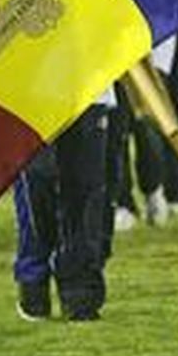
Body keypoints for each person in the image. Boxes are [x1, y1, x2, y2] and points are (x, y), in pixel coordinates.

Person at [12, 94, 123, 322]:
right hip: (30, 91)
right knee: (35, 182)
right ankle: (34, 279)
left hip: (89, 90)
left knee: (85, 191)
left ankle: (80, 294)